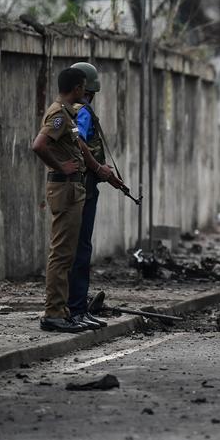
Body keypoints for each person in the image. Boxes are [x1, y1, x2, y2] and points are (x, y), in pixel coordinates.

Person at [32, 68, 110, 333]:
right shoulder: (57, 114)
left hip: (73, 188)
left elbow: (80, 146)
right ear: (77, 88)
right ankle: (53, 313)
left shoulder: (68, 113)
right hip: (64, 187)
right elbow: (39, 145)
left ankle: (64, 311)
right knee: (62, 254)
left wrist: (99, 169)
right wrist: (60, 166)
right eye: (83, 87)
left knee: (69, 253)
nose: (86, 92)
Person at [67, 62, 121, 330]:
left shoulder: (70, 111)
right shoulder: (83, 112)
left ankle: (74, 306)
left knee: (74, 248)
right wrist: (100, 169)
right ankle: (76, 308)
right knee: (80, 249)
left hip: (77, 184)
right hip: (84, 186)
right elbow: (80, 144)